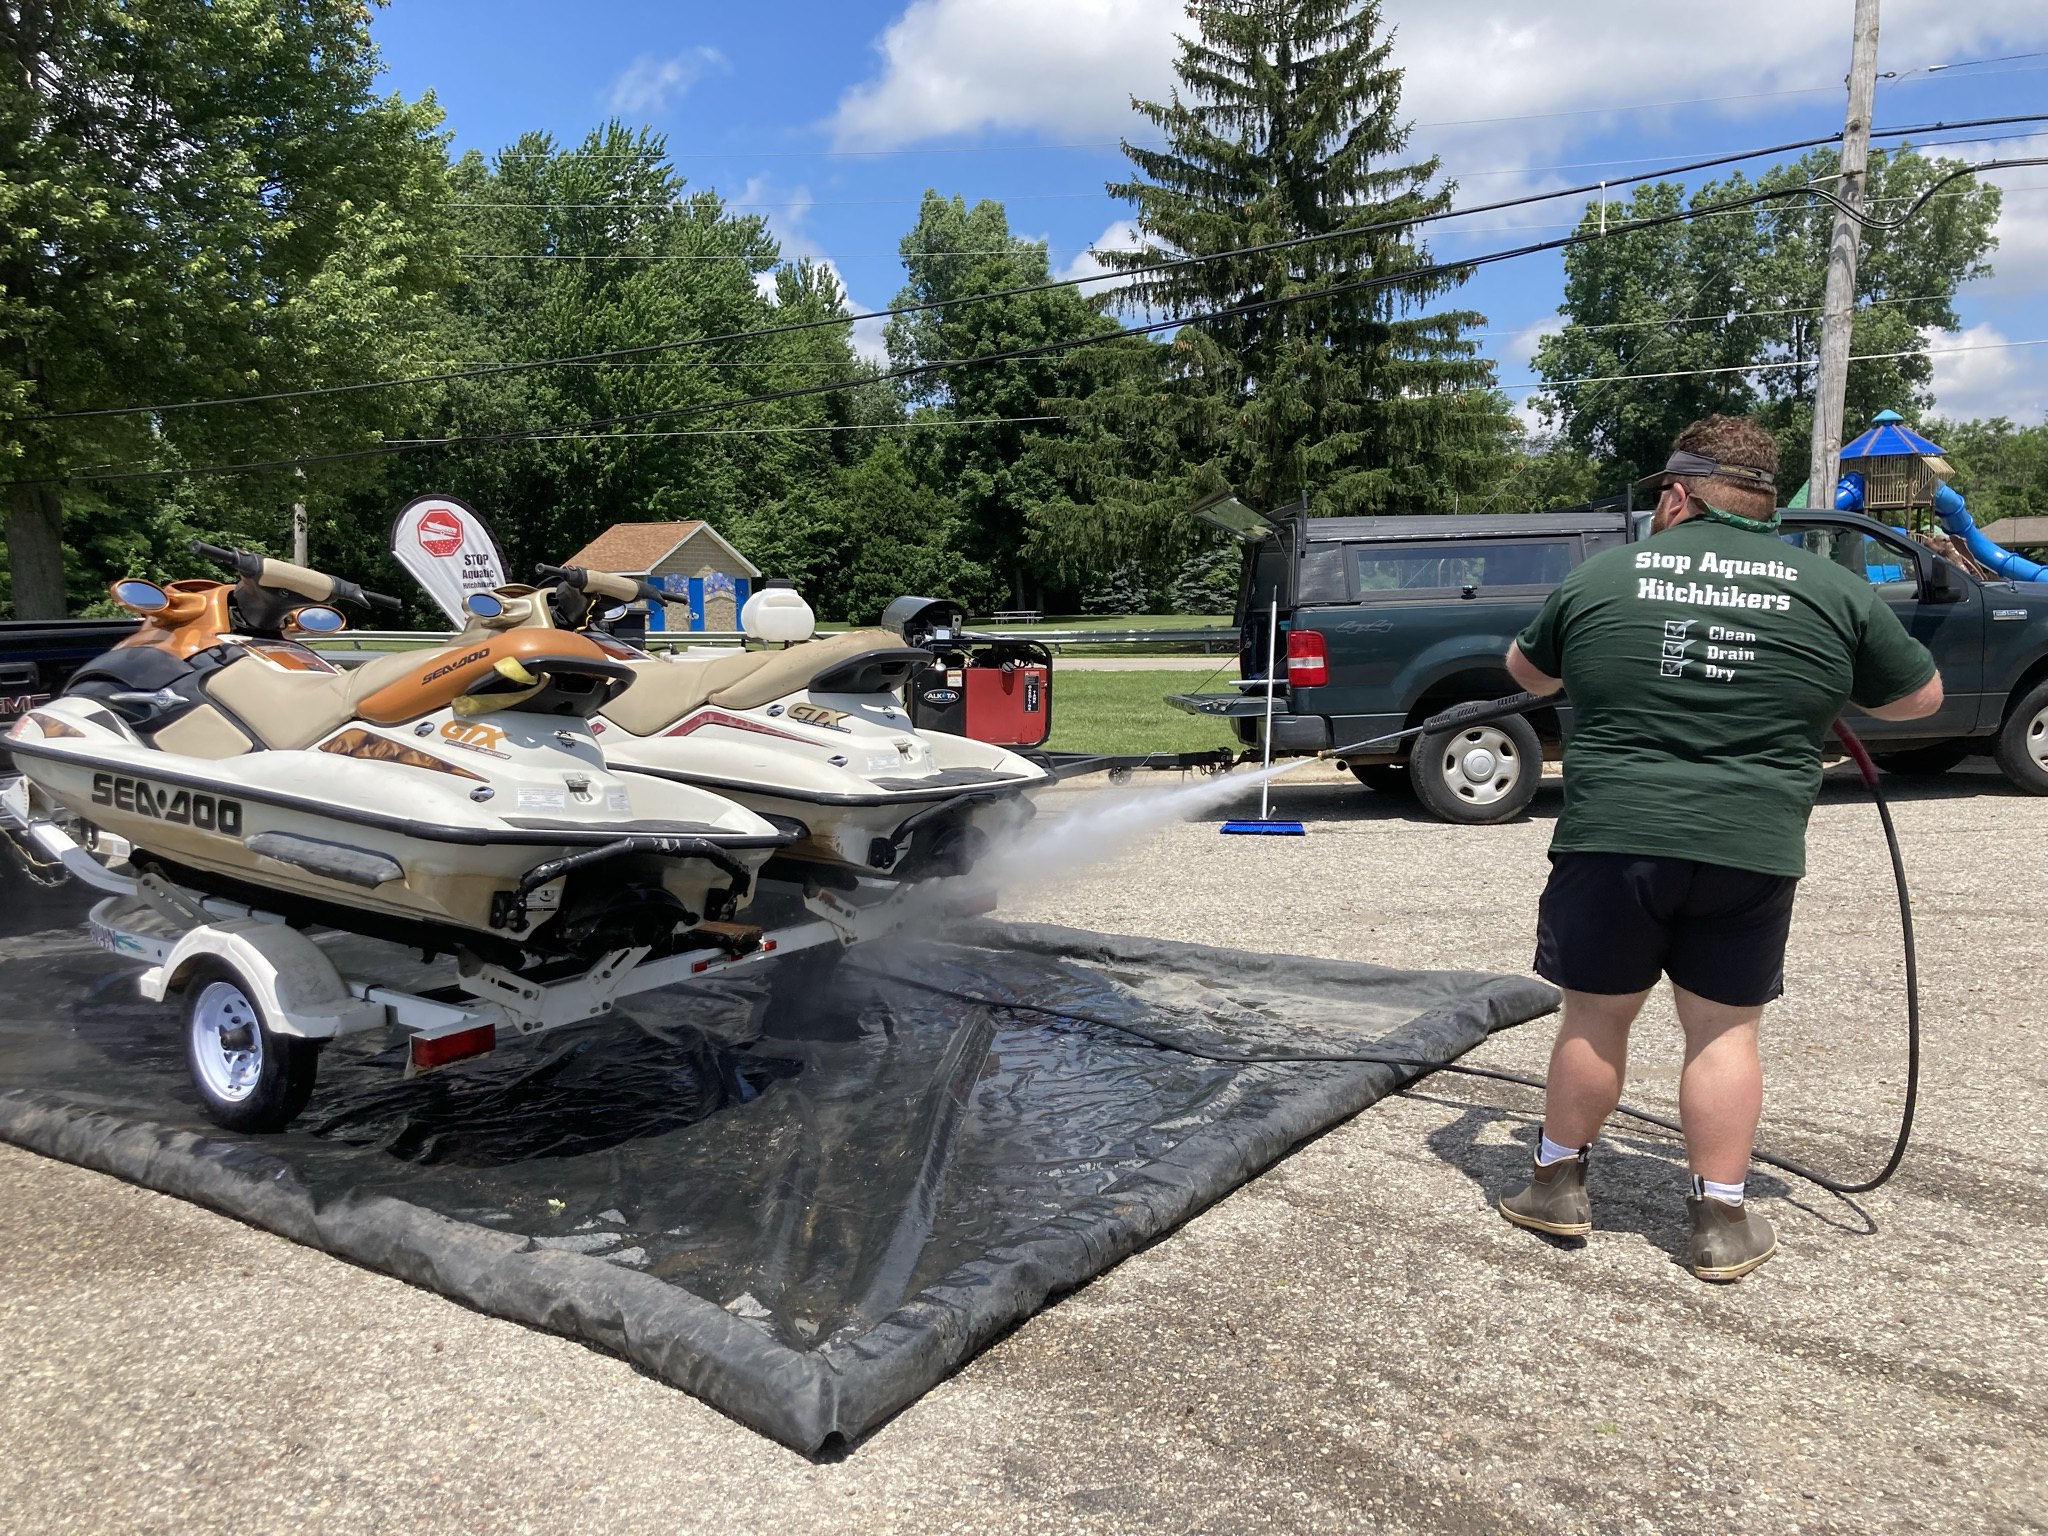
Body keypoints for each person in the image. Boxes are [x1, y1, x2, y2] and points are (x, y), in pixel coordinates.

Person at [1497, 415, 1943, 1282]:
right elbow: (1920, 700)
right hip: (1751, 845)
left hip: (1612, 841)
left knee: (1594, 1013)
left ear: (1677, 493)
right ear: (1764, 499)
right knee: (1723, 1033)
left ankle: (1554, 1186)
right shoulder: (1830, 589)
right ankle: (1722, 1224)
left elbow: (1525, 675)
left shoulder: (1603, 575)